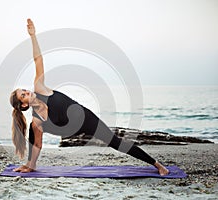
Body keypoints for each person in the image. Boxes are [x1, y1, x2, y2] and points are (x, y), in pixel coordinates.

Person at [9, 19, 169, 176]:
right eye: (23, 95)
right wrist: (32, 164)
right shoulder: (37, 122)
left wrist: (33, 36)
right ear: (23, 105)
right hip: (69, 130)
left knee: (115, 142)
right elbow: (38, 144)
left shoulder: (40, 88)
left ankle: (157, 164)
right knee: (33, 129)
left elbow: (38, 60)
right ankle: (30, 165)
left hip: (86, 119)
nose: (27, 91)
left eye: (24, 90)